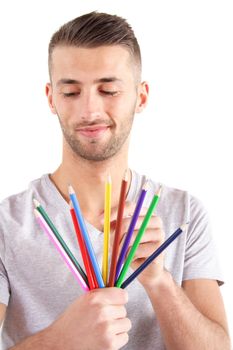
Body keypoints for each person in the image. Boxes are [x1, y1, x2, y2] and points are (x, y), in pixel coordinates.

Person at [0, 11, 231, 350]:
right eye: (71, 92)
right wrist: (60, 341)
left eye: (108, 90)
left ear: (141, 96)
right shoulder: (6, 224)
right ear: (50, 98)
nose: (90, 110)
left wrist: (160, 283)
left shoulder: (185, 213)